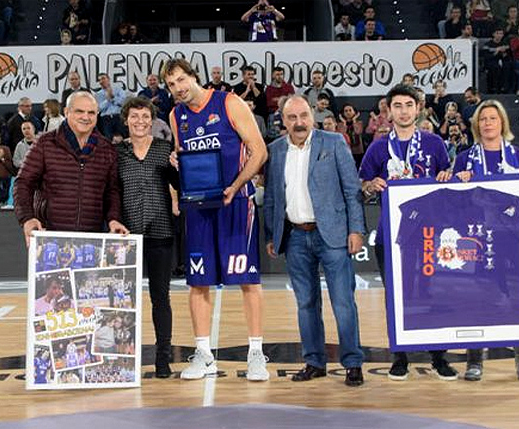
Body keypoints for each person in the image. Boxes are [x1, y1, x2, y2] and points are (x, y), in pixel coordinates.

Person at [162, 58, 269, 381]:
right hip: (199, 207)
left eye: (182, 80)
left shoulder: (229, 102)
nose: (178, 88)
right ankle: (204, 354)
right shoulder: (175, 114)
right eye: (171, 85)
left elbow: (259, 151)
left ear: (195, 77)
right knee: (198, 281)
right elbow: (186, 158)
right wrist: (177, 162)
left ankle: (255, 354)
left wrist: (235, 186)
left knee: (247, 280)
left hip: (235, 202)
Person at [263, 95, 366, 387]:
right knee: (305, 303)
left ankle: (353, 363)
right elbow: (272, 197)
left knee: (343, 302)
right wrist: (272, 233)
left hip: (332, 234)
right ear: (282, 121)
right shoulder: (275, 150)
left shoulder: (333, 143)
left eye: (303, 116)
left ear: (312, 116)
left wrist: (356, 229)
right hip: (296, 236)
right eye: (292, 117)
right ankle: (314, 362)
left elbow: (351, 190)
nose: (299, 123)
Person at [358, 84, 457, 381]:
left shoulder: (434, 144)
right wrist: (370, 185)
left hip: (431, 233)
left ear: (418, 109)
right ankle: (399, 355)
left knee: (432, 293)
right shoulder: (378, 147)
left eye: (408, 105)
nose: (403, 111)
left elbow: (449, 182)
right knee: (396, 296)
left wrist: (446, 176)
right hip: (392, 234)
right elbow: (361, 185)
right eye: (397, 106)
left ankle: (438, 356)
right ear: (388, 111)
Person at [452, 99, 519, 382]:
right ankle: (474, 360)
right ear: (476, 125)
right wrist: (458, 181)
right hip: (480, 237)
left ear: (502, 123)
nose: (487, 124)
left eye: (493, 118)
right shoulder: (464, 158)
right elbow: (455, 198)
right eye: (482, 119)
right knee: (479, 297)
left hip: (515, 237)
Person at [13, 91, 128, 247]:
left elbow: (112, 191)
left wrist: (114, 219)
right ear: (66, 112)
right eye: (79, 111)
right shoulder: (45, 143)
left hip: (91, 240)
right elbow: (23, 183)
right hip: (50, 237)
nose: (86, 117)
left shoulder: (107, 149)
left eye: (91, 112)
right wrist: (27, 218)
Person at [117, 96, 179, 378]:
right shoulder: (116, 153)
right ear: (126, 119)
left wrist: (180, 168)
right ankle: (119, 358)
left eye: (145, 117)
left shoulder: (165, 150)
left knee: (160, 298)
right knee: (121, 301)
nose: (140, 122)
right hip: (126, 236)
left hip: (161, 232)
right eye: (134, 116)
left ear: (152, 121)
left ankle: (163, 359)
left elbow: (181, 185)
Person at [96, 73, 128, 141]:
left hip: (118, 117)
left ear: (108, 79)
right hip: (105, 119)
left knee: (122, 138)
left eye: (103, 78)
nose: (102, 81)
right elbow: (99, 108)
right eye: (99, 80)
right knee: (108, 139)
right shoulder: (98, 94)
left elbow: (124, 103)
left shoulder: (118, 90)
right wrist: (107, 100)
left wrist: (113, 97)